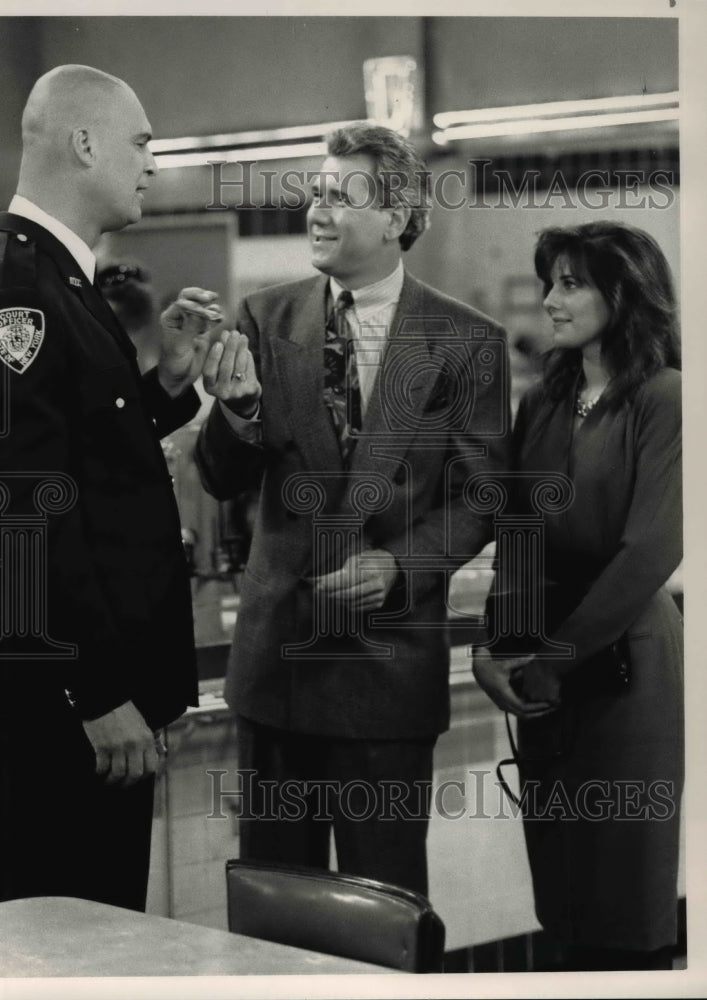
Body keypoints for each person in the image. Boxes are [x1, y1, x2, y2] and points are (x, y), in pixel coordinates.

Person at [189, 123, 510, 896]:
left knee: (385, 908)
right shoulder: (264, 318)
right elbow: (220, 478)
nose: (318, 211)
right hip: (278, 673)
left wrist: (398, 566)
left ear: (398, 217)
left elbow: (480, 497)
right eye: (316, 193)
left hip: (386, 673)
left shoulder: (465, 341)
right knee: (273, 911)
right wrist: (233, 413)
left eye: (341, 195)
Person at [0, 64, 221, 910]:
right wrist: (97, 693)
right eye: (141, 142)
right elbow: (16, 513)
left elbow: (83, 460)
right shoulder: (18, 291)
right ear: (83, 142)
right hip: (63, 714)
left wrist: (169, 382)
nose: (152, 162)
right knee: (72, 945)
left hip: (79, 703)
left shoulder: (55, 279)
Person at [472, 221, 683, 970]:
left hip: (625, 661)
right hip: (543, 666)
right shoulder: (547, 402)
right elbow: (519, 532)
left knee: (622, 895)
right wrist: (497, 646)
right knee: (561, 890)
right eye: (549, 283)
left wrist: (552, 662)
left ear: (623, 296)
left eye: (571, 283)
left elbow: (651, 549)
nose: (549, 301)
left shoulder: (666, 399)